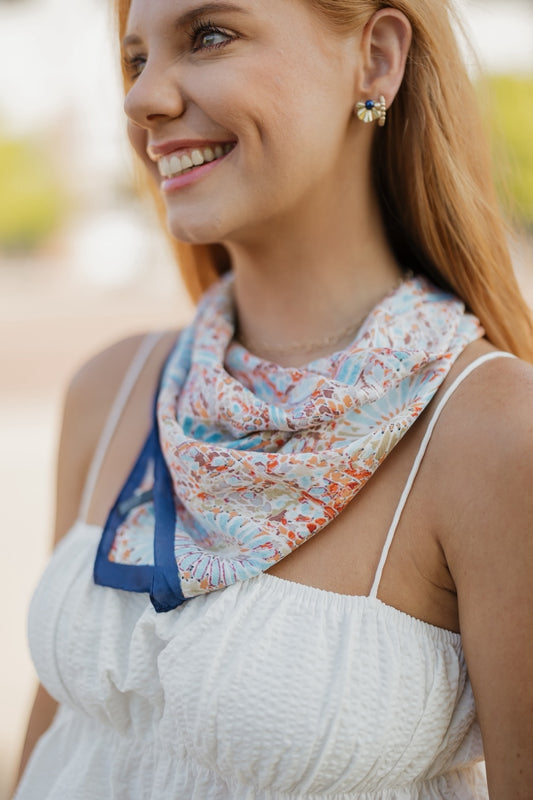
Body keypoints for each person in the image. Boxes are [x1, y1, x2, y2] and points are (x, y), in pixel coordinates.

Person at [13, 0, 533, 797]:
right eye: (135, 59)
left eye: (208, 35)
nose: (141, 99)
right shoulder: (108, 392)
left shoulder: (494, 434)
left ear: (376, 61)